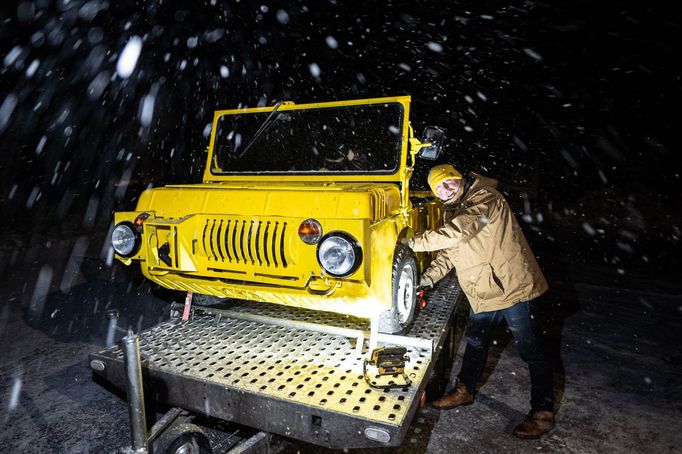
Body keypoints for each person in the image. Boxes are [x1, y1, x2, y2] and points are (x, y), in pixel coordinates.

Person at [403, 164, 555, 439]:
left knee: (532, 351)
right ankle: (465, 391)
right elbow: (451, 253)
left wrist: (410, 243)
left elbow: (461, 232)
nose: (445, 189)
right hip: (482, 292)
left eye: (448, 182)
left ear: (458, 178)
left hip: (512, 289)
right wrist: (427, 278)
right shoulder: (455, 210)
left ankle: (543, 412)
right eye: (439, 188)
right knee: (475, 343)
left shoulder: (485, 200)